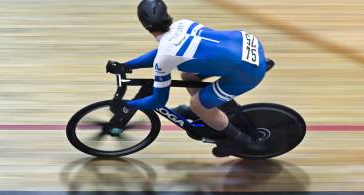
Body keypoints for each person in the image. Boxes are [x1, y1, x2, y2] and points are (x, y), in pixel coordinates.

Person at [107, 0, 267, 157]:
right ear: (167, 15)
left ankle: (239, 138)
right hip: (247, 45)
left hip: (247, 72)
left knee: (197, 104)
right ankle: (208, 111)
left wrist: (128, 104)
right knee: (188, 75)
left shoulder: (165, 57)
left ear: (144, 25)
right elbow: (161, 53)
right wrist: (126, 66)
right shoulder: (182, 24)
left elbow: (158, 101)